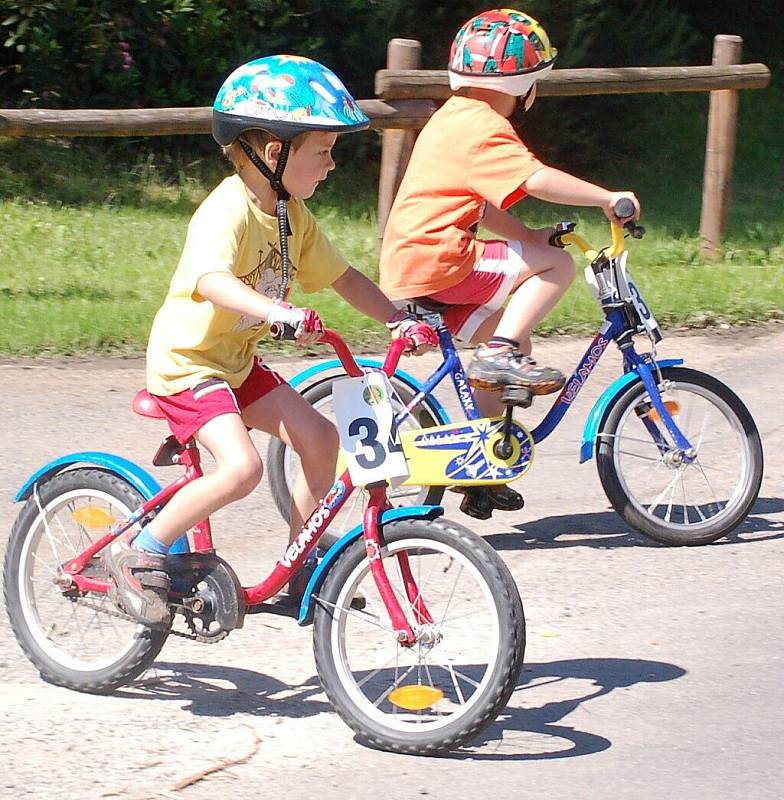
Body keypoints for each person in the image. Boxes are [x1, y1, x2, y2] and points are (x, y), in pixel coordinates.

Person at [106, 55, 435, 627]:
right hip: (189, 365)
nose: (332, 165)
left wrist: (396, 319)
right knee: (243, 469)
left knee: (321, 437)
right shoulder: (228, 209)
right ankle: (139, 554)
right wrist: (274, 310)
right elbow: (211, 280)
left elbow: (344, 277)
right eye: (323, 152)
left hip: (234, 362)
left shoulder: (291, 215)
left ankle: (300, 561)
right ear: (274, 152)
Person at [378, 8, 640, 519]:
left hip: (414, 263)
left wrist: (526, 237)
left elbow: (485, 202)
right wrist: (607, 198)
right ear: (524, 85)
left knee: (508, 344)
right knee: (555, 270)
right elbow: (535, 179)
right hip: (443, 259)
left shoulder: (452, 116)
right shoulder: (485, 125)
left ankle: (482, 469)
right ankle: (498, 353)